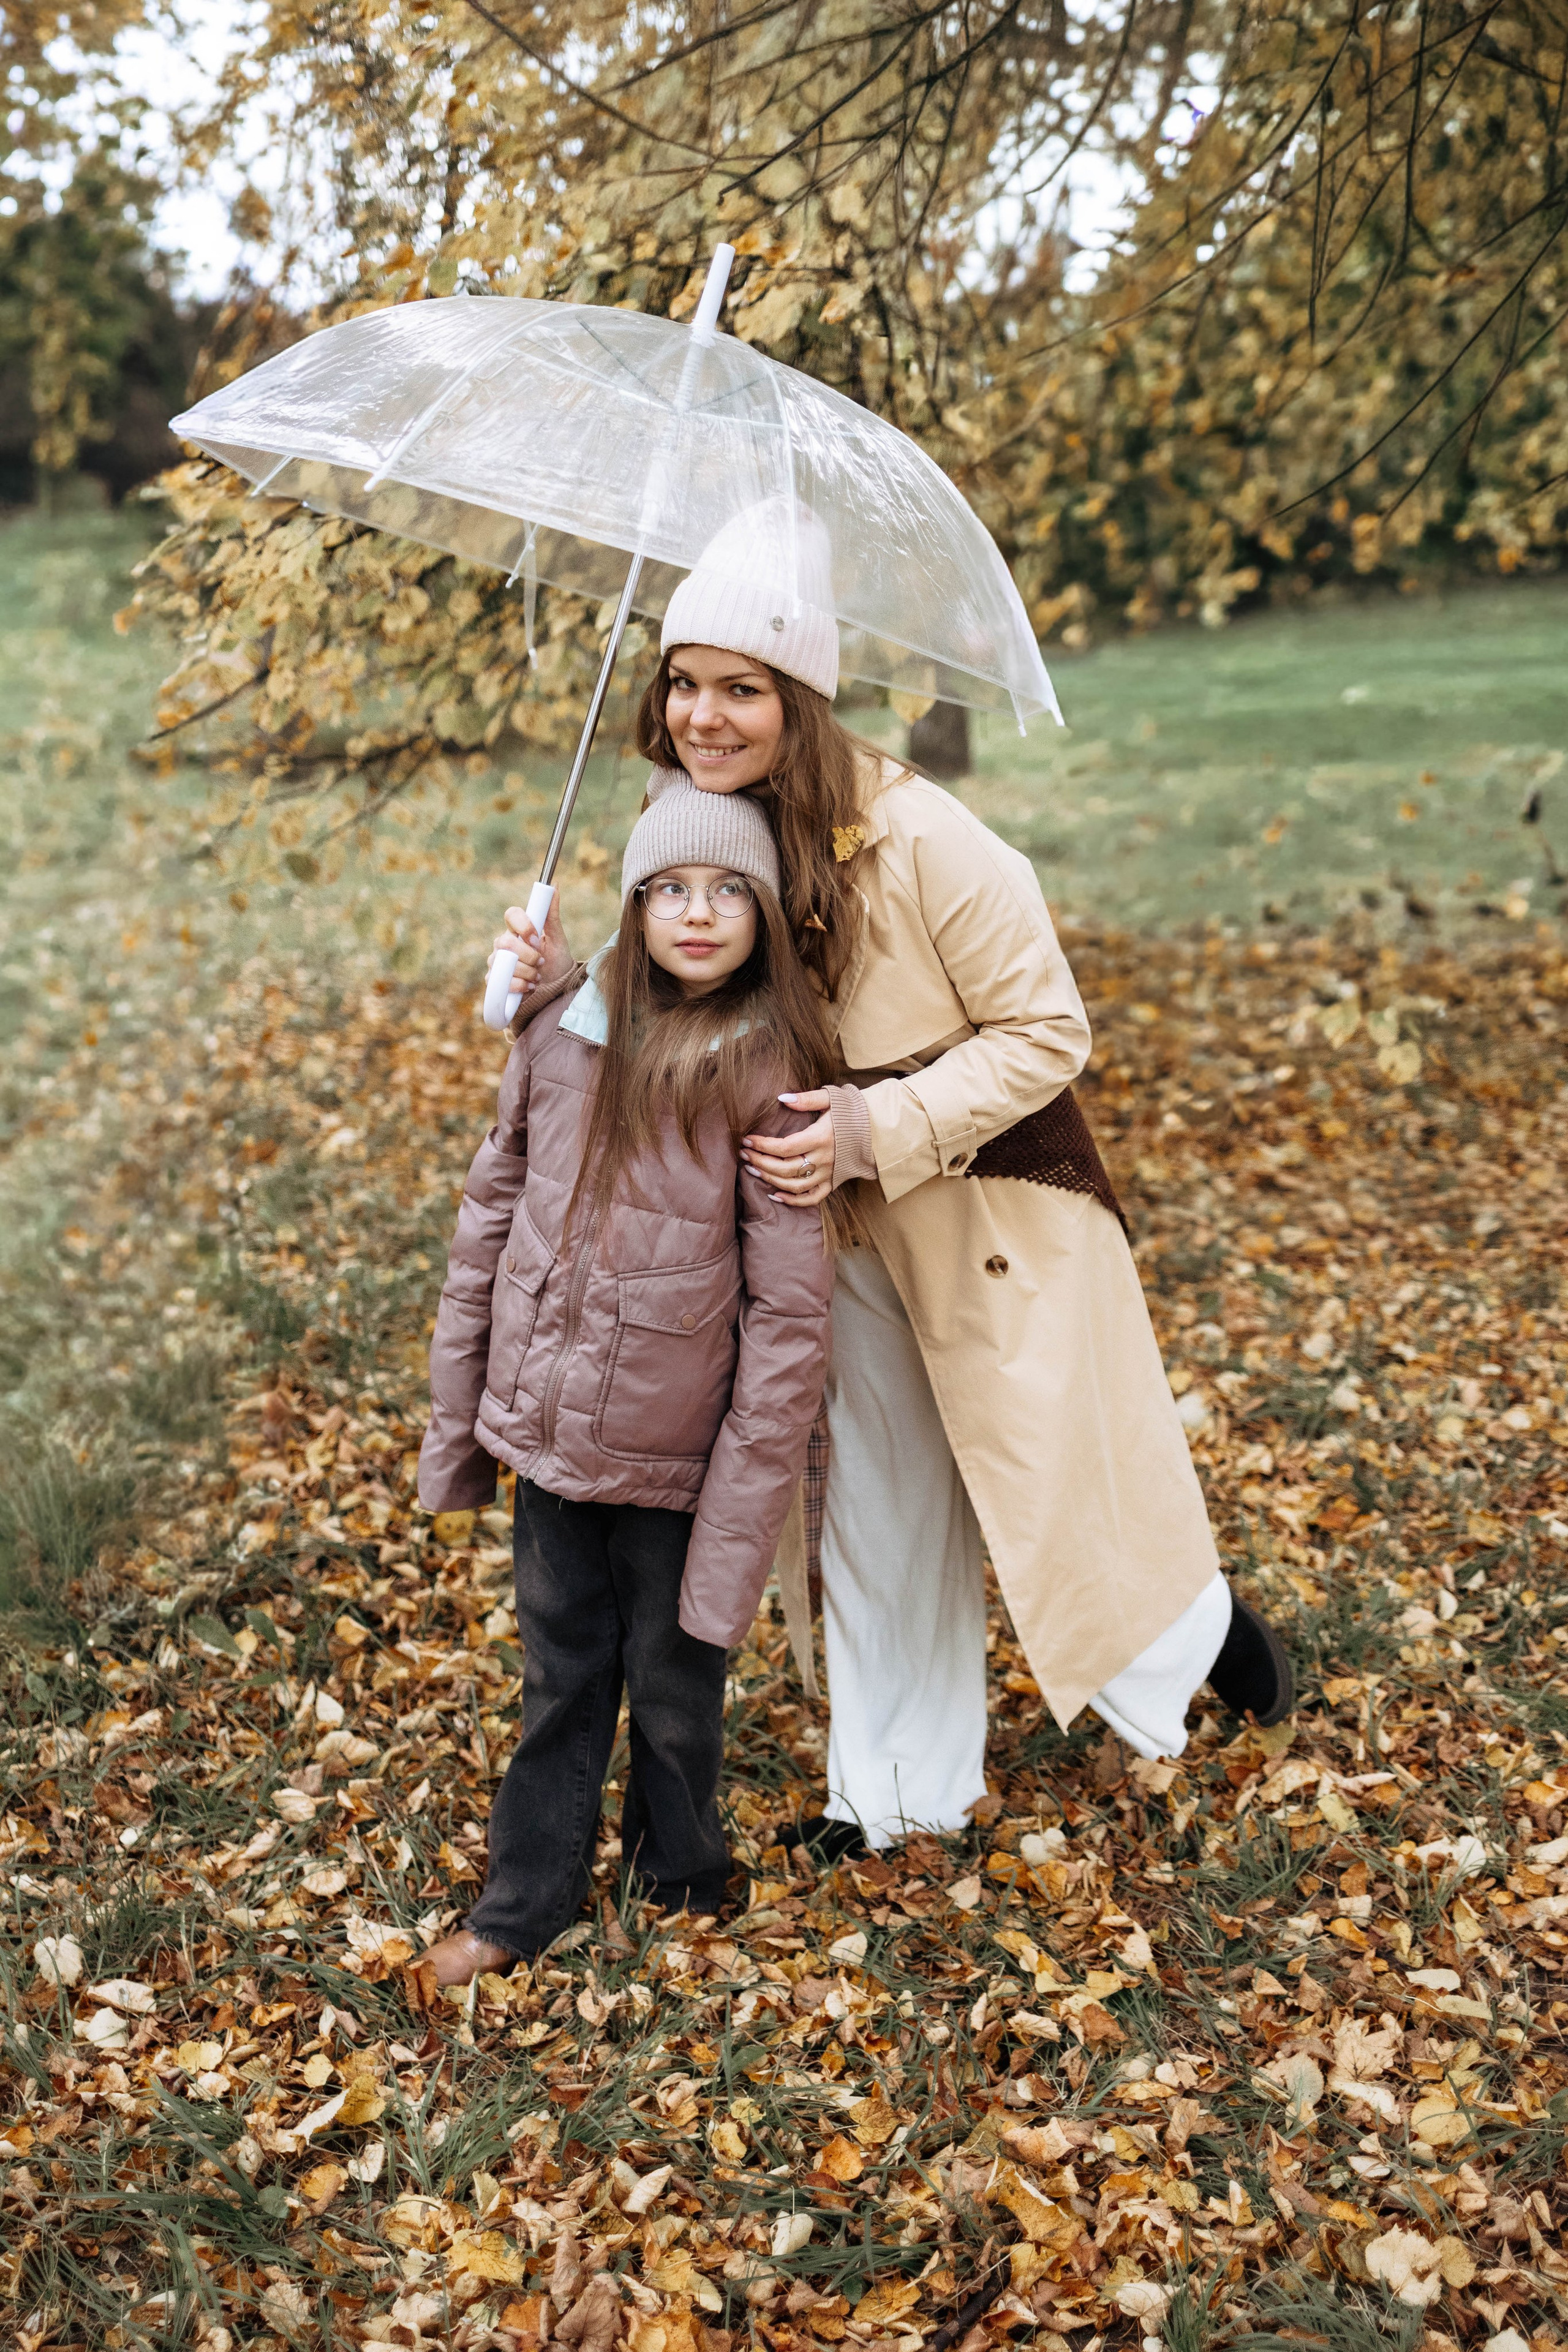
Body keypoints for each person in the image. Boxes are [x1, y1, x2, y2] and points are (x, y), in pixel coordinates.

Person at [496, 507, 1294, 1861]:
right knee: (873, 1504)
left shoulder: (925, 837)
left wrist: (877, 1126)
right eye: (684, 682)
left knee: (1044, 1486)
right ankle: (896, 1799)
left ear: (798, 698)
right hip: (827, 1232)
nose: (705, 715)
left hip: (983, 1208)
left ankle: (1201, 1634)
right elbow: (680, 991)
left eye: (741, 689)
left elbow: (1048, 1035)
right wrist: (560, 988)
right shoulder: (685, 819)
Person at [418, 780, 837, 1983]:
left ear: (760, 914)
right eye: (668, 891)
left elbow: (788, 1313)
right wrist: (466, 1407)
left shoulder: (766, 1072)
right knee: (559, 1674)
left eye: (725, 893)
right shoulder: (559, 1035)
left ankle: (683, 1876)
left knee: (674, 1679)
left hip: (677, 1454)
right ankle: (522, 1900)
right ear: (632, 905)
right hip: (552, 1431)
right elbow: (494, 1206)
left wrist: (749, 1473)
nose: (696, 915)